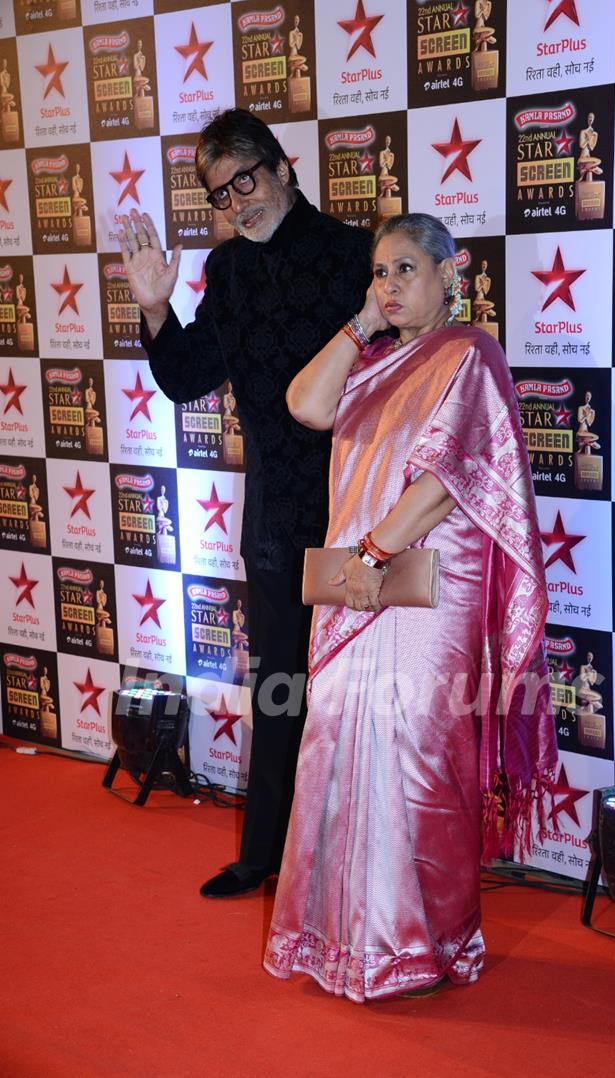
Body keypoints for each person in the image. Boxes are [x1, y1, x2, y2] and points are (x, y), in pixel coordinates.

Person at [263, 213, 556, 1002]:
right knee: (336, 753)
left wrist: (372, 554)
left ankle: (421, 945)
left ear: (448, 272)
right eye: (380, 272)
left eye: (405, 270)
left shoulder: (469, 355)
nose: (390, 286)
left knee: (420, 763)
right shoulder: (373, 361)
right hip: (357, 589)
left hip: (425, 589)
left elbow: (444, 480)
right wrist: (361, 322)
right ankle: (343, 941)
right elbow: (304, 403)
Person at [117, 108, 372, 898]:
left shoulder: (356, 256)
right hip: (274, 527)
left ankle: (361, 863)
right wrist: (157, 308)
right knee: (280, 693)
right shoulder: (225, 273)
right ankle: (265, 855)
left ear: (283, 167)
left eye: (246, 182)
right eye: (220, 196)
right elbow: (186, 376)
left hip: (357, 517)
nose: (237, 204)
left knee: (359, 695)